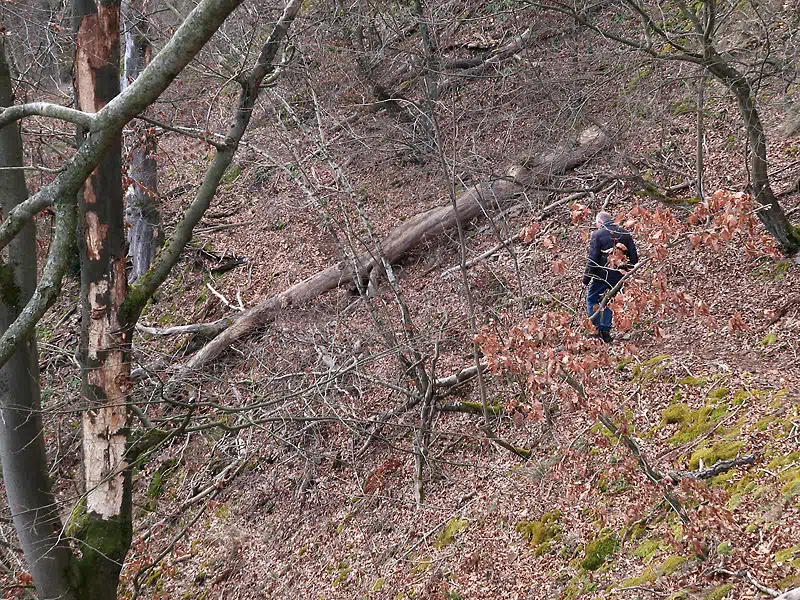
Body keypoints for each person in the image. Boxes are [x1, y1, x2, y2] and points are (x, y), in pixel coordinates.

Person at [582, 211, 638, 343]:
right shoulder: (625, 233)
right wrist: (624, 270)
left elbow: (593, 259)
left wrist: (586, 279)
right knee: (608, 301)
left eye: (597, 224)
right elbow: (634, 258)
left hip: (601, 275)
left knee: (592, 300)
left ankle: (596, 329)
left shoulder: (597, 235)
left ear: (600, 222)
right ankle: (605, 330)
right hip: (618, 277)